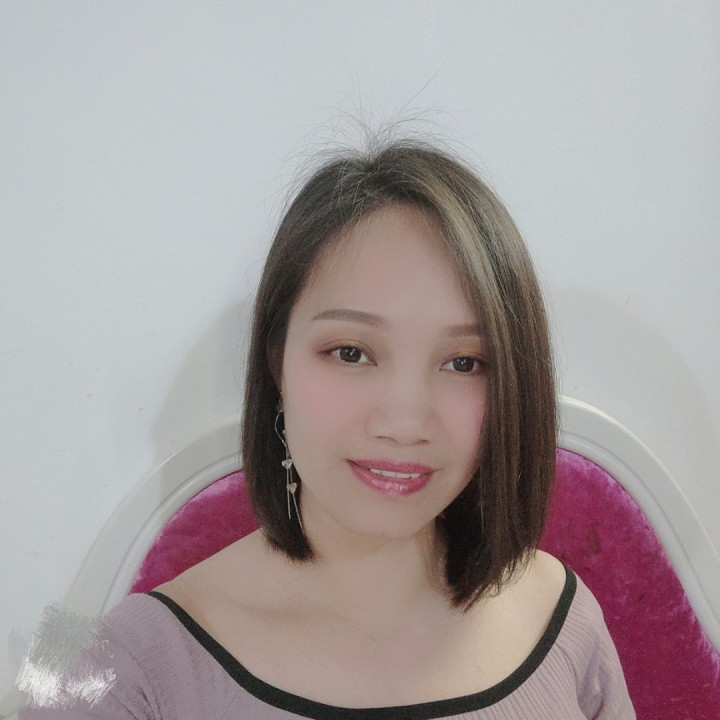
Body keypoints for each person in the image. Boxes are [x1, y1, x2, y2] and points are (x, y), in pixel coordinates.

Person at [19, 138, 636, 718]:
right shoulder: (118, 668)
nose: (404, 422)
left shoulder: (563, 618)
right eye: (351, 352)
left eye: (463, 363)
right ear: (277, 363)